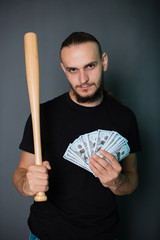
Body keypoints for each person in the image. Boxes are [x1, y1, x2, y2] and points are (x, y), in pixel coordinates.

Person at [13, 32, 141, 240]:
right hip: (46, 235)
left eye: (90, 66)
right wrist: (27, 184)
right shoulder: (42, 115)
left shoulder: (124, 118)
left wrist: (117, 182)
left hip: (103, 234)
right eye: (73, 70)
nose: (82, 79)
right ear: (64, 70)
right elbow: (20, 172)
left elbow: (132, 176)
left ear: (104, 61)